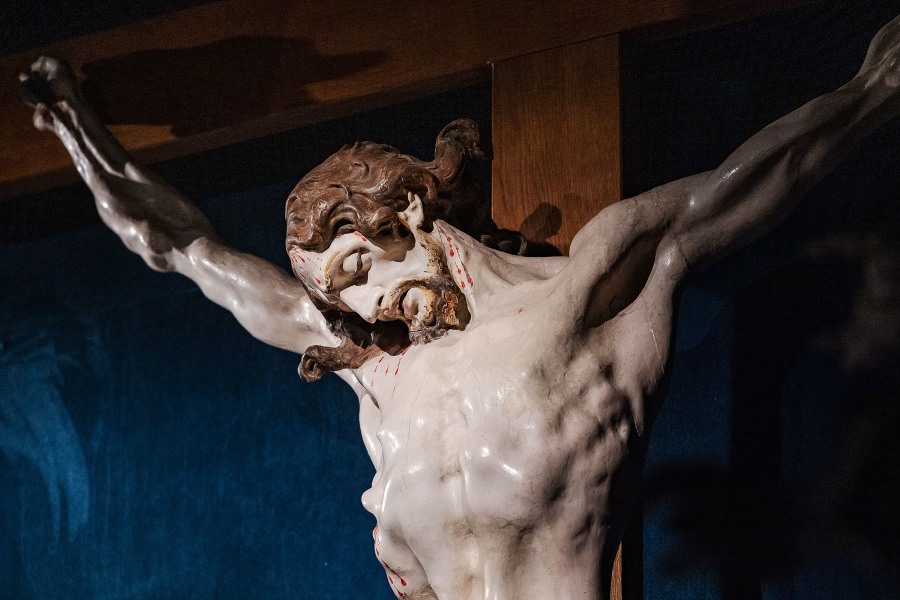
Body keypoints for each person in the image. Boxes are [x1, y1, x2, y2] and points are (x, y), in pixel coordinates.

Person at [19, 15, 900, 600]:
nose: (369, 303)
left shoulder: (583, 297)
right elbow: (186, 250)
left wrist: (873, 91)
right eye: (342, 294)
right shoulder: (382, 373)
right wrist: (80, 135)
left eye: (359, 266)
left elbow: (743, 187)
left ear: (409, 211)